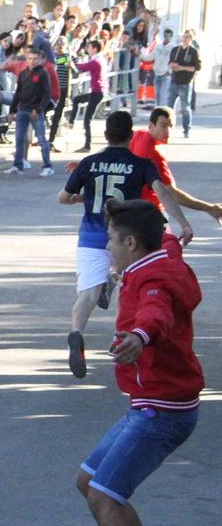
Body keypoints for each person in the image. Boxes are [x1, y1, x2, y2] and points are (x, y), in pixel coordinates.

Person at [72, 198, 202, 526]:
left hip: (161, 411)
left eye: (111, 239)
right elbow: (167, 235)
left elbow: (155, 315)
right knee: (89, 481)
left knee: (104, 497)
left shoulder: (151, 281)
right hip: (151, 405)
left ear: (131, 242)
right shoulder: (161, 251)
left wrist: (140, 338)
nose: (107, 247)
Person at [58, 110, 192, 379]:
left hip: (91, 236)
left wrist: (81, 198)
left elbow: (63, 197)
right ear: (131, 136)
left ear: (106, 135)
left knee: (88, 294)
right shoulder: (140, 164)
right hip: (125, 237)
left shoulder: (88, 163)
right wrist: (183, 223)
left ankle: (76, 333)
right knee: (128, 286)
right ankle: (120, 337)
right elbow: (163, 191)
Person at [130, 107, 222, 222]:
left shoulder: (136, 135)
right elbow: (172, 193)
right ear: (151, 125)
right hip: (149, 213)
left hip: (128, 208)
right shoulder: (154, 155)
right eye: (163, 126)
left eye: (171, 126)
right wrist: (209, 208)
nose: (168, 131)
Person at [2, 48, 56, 177]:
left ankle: (48, 166)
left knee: (42, 139)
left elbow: (46, 94)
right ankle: (17, 165)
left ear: (40, 60)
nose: (32, 61)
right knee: (19, 139)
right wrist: (12, 111)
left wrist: (38, 109)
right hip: (22, 109)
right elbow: (18, 93)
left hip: (35, 111)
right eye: (30, 58)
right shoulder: (23, 74)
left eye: (35, 59)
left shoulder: (43, 73)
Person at [71, 39, 108, 152]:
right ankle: (71, 122)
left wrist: (72, 60)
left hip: (97, 92)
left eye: (89, 47)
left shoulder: (95, 61)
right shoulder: (100, 59)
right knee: (77, 99)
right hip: (98, 91)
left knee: (87, 119)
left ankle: (87, 145)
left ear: (95, 49)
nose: (87, 49)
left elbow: (81, 68)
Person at [165, 29, 200, 138]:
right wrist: (172, 66)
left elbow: (197, 67)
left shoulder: (194, 52)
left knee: (185, 108)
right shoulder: (176, 49)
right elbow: (170, 62)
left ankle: (186, 129)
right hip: (174, 81)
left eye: (188, 37)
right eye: (184, 36)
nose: (185, 39)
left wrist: (182, 67)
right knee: (169, 107)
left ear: (191, 39)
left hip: (185, 83)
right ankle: (167, 129)